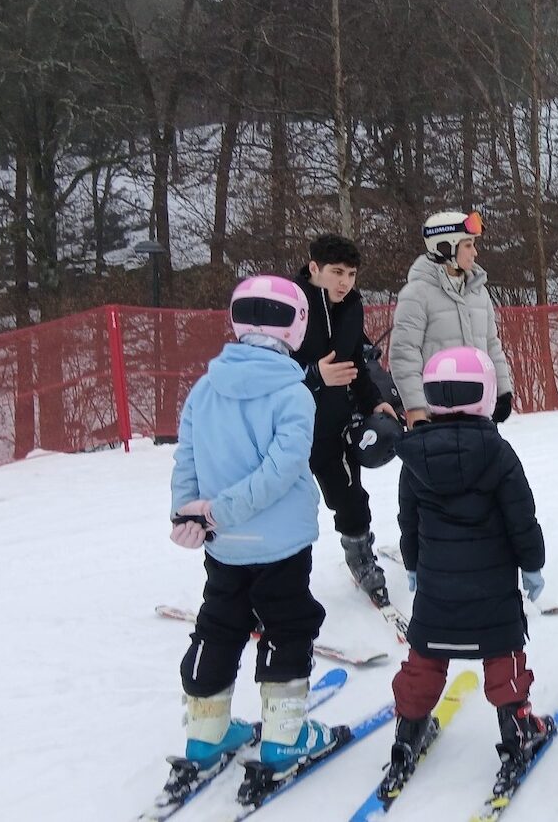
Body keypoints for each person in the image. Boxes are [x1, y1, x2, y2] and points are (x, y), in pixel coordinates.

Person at [166, 276, 342, 791]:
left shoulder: (205, 387)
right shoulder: (293, 393)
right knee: (286, 626)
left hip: (224, 547)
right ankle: (286, 736)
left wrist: (189, 513)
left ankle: (205, 735)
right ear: (296, 327)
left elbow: (188, 458)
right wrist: (219, 511)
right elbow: (282, 470)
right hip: (279, 543)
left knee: (219, 624)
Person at [385, 346, 551, 794]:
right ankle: (518, 730)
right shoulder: (497, 453)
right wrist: (532, 566)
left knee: (425, 660)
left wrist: (416, 566)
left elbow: (409, 521)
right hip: (492, 591)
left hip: (437, 593)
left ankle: (407, 732)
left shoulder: (415, 457)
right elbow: (522, 518)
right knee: (502, 658)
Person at [290, 233, 393, 608]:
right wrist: (313, 374)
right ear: (314, 268)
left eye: (351, 273)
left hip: (332, 426)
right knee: (284, 509)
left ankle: (361, 558)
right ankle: (272, 582)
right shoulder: (289, 306)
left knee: (350, 498)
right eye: (336, 272)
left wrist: (374, 401)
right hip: (286, 431)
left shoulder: (351, 306)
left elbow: (355, 366)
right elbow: (266, 369)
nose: (344, 281)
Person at [390, 211, 514, 428]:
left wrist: (503, 391)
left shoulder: (478, 292)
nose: (475, 252)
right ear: (446, 246)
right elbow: (404, 354)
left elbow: (492, 345)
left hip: (477, 407)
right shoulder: (417, 294)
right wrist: (416, 407)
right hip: (437, 411)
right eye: (468, 245)